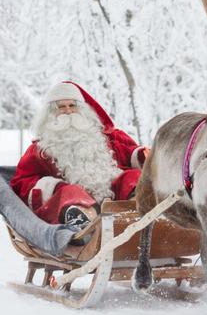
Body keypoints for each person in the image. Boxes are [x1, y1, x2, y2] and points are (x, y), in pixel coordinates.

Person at [10, 82, 147, 228]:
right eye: (61, 107)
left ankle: (138, 209)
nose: (68, 111)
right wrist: (53, 186)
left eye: (72, 106)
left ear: (82, 110)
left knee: (134, 177)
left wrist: (144, 156)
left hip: (115, 197)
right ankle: (84, 221)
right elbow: (22, 181)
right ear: (50, 114)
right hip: (73, 203)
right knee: (69, 193)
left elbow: (129, 152)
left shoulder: (104, 137)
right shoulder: (40, 149)